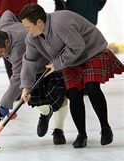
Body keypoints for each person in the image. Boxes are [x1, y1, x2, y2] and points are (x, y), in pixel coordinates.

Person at [19, 3, 124, 148]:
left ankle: (105, 128)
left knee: (92, 87)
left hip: (91, 51)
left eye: (28, 26)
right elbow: (29, 61)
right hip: (69, 59)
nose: (26, 30)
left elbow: (78, 46)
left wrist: (57, 64)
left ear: (39, 22)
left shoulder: (60, 23)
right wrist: (25, 87)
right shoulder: (32, 37)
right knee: (73, 93)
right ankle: (82, 134)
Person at [0, 10, 68, 144]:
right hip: (32, 69)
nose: (0, 56)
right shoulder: (3, 27)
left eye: (0, 52)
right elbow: (7, 13)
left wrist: (5, 104)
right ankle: (45, 113)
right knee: (32, 100)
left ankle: (59, 130)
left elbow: (18, 77)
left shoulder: (18, 50)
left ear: (7, 42)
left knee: (60, 98)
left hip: (50, 64)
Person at [0, 0, 37, 80]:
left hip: (14, 17)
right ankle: (22, 84)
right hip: (26, 14)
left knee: (9, 53)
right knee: (8, 52)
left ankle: (19, 84)